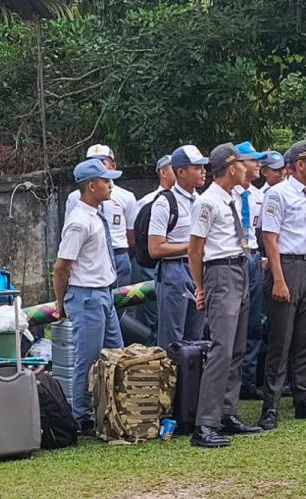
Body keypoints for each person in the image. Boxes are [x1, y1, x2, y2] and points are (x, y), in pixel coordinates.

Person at [258, 140, 306, 430]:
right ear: (300, 165)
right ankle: (271, 405)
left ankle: (304, 398)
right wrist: (278, 278)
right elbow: (270, 238)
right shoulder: (278, 194)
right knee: (281, 339)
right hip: (288, 264)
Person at [187, 143, 263, 447]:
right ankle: (205, 423)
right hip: (220, 271)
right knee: (221, 348)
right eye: (242, 165)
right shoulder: (207, 202)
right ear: (232, 169)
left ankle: (227, 413)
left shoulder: (230, 198)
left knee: (237, 347)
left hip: (239, 267)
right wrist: (201, 286)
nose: (247, 169)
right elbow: (195, 250)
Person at [54, 158, 125, 434]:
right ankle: (81, 417)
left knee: (116, 354)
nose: (111, 185)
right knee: (88, 359)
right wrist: (61, 302)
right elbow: (62, 266)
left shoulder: (95, 216)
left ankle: (112, 410)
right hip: (86, 296)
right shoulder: (79, 221)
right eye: (106, 181)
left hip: (103, 294)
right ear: (91, 186)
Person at [149, 145, 207, 348]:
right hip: (174, 271)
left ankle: (192, 370)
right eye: (197, 167)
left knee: (196, 335)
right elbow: (155, 249)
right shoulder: (165, 202)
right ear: (180, 172)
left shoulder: (201, 200)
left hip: (198, 268)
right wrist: (192, 247)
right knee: (172, 339)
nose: (203, 172)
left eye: (203, 167)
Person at [64, 144, 137, 291]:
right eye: (91, 162)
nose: (96, 166)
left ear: (113, 166)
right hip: (90, 255)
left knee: (120, 299)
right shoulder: (75, 198)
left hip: (118, 253)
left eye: (102, 162)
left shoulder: (126, 197)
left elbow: (131, 232)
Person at [232, 142, 267, 400]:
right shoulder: (226, 195)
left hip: (253, 257)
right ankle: (230, 381)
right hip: (232, 260)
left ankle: (249, 379)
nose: (259, 165)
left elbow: (260, 231)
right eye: (254, 160)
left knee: (254, 321)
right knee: (232, 322)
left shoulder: (257, 196)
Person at [132, 155, 176, 342]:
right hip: (151, 264)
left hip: (179, 265)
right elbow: (137, 236)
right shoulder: (147, 202)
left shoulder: (192, 200)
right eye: (175, 168)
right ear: (163, 173)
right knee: (151, 314)